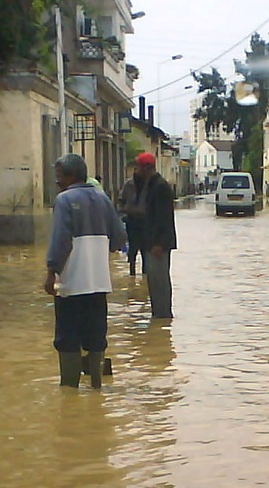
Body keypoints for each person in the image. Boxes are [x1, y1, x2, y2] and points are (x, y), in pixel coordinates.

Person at [45, 154, 126, 389]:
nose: (57, 181)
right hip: (99, 282)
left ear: (70, 176)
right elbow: (120, 237)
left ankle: (69, 388)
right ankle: (97, 386)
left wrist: (52, 271)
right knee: (96, 335)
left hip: (71, 283)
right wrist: (100, 252)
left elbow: (60, 241)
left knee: (67, 338)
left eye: (59, 176)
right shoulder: (103, 199)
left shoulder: (64, 200)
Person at [135, 153, 177, 319]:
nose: (136, 171)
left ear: (147, 168)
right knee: (153, 281)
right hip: (151, 243)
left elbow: (164, 217)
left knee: (159, 282)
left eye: (138, 167)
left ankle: (163, 315)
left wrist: (159, 243)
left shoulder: (160, 186)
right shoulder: (150, 184)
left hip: (158, 245)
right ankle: (158, 315)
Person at [119, 167, 147, 276]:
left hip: (145, 222)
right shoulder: (128, 185)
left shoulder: (148, 185)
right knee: (132, 248)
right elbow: (121, 200)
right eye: (135, 170)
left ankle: (145, 273)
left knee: (145, 249)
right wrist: (124, 212)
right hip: (131, 221)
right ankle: (132, 272)